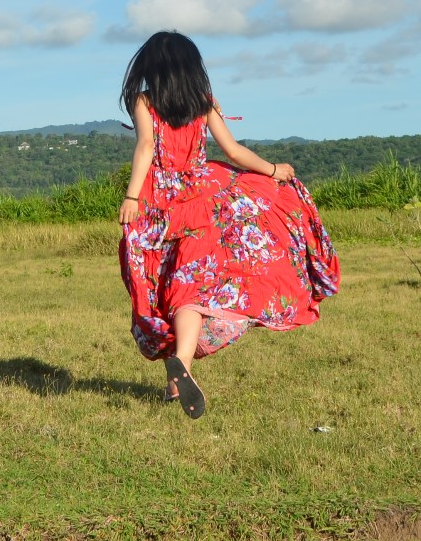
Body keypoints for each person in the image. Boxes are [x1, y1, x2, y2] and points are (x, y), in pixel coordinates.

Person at [116, 30, 340, 418]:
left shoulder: (144, 101)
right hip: (205, 199)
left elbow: (147, 148)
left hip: (163, 204)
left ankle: (178, 372)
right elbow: (233, 151)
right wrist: (274, 170)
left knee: (166, 286)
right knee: (195, 285)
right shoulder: (203, 102)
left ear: (151, 67)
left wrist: (133, 197)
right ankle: (179, 371)